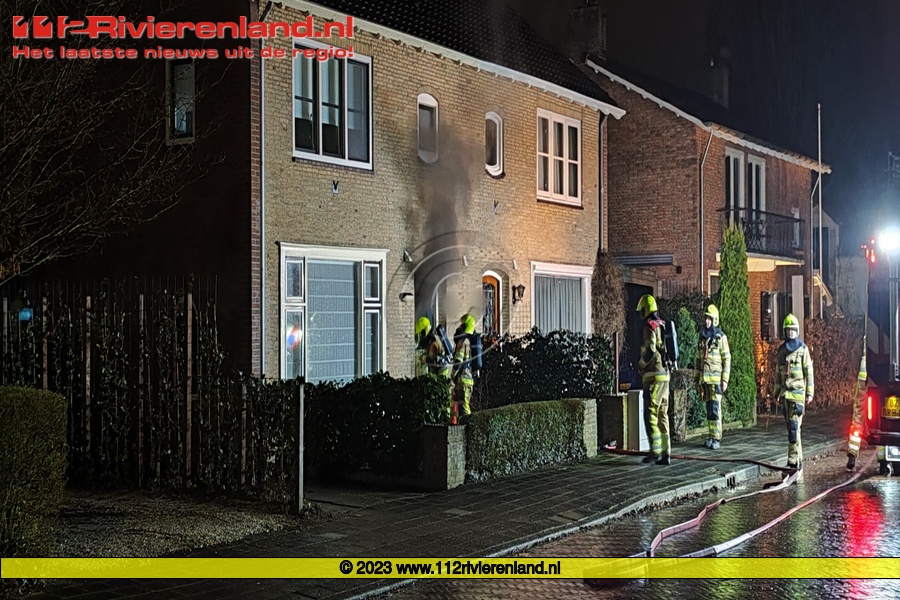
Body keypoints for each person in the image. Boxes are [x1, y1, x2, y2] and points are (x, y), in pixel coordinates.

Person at [773, 313, 814, 475]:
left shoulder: (803, 350)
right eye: (788, 330)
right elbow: (778, 375)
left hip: (797, 395)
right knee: (793, 429)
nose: (791, 333)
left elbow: (809, 372)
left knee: (793, 428)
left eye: (793, 330)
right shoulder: (781, 351)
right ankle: (799, 459)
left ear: (797, 331)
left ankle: (793, 461)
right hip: (785, 396)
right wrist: (776, 393)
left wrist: (809, 393)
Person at [636, 294, 672, 465]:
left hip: (653, 376)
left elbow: (650, 350)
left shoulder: (649, 325)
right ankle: (666, 453)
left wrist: (641, 365)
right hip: (666, 375)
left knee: (651, 413)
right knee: (663, 414)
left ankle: (655, 451)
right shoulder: (663, 324)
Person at [696, 304, 731, 450]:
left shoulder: (720, 337)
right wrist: (697, 379)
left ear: (715, 320)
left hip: (716, 381)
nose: (707, 321)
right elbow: (698, 359)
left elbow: (727, 358)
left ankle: (716, 438)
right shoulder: (702, 337)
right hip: (705, 380)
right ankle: (711, 436)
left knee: (715, 409)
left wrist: (725, 380)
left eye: (709, 319)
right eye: (706, 318)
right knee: (709, 410)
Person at [451, 313, 476, 422]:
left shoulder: (463, 342)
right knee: (461, 405)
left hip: (462, 380)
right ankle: (458, 426)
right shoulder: (469, 341)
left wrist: (452, 376)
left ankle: (470, 426)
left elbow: (458, 361)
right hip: (468, 380)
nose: (459, 328)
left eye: (462, 325)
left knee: (464, 407)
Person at [846, 354, 866, 471]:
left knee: (858, 414)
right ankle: (884, 459)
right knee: (881, 420)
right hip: (881, 378)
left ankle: (852, 454)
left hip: (864, 375)